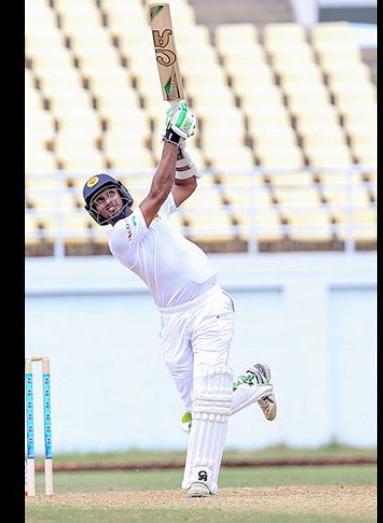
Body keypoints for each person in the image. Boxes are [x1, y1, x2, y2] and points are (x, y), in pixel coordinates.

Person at [81, 101, 277, 497]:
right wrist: (172, 136)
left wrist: (181, 149)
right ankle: (254, 383)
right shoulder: (121, 238)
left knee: (207, 395)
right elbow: (158, 189)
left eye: (109, 195)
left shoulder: (154, 215)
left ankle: (200, 480)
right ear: (97, 215)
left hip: (209, 304)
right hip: (171, 319)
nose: (107, 203)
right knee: (197, 409)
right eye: (99, 203)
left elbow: (184, 185)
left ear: (120, 193)